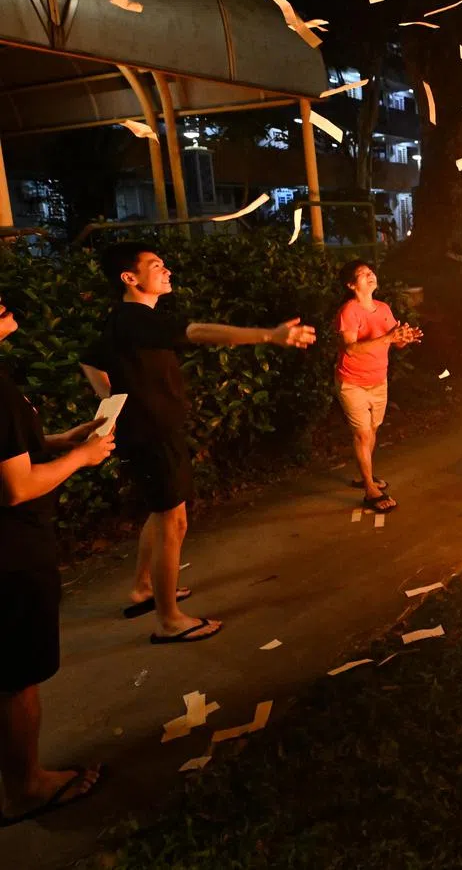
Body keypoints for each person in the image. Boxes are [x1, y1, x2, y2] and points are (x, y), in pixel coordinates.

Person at [80, 243, 316, 646]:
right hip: (154, 434)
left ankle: (143, 588)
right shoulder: (135, 318)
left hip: (153, 429)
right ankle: (169, 620)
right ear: (130, 278)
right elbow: (199, 332)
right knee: (173, 522)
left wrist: (113, 399)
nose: (167, 270)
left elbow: (89, 358)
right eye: (156, 265)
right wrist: (270, 335)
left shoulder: (121, 320)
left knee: (162, 515)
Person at [0, 292, 116, 827]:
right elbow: (16, 487)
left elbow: (11, 452)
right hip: (12, 553)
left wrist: (57, 440)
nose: (4, 303)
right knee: (17, 677)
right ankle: (27, 787)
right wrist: (81, 457)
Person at [335, 260, 421, 512]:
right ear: (351, 285)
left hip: (378, 379)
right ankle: (370, 490)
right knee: (362, 434)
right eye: (363, 274)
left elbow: (396, 342)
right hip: (352, 381)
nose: (370, 275)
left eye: (371, 272)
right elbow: (351, 349)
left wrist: (405, 337)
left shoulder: (383, 308)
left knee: (372, 430)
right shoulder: (349, 311)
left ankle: (365, 475)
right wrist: (388, 338)